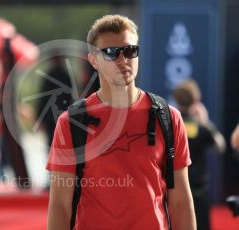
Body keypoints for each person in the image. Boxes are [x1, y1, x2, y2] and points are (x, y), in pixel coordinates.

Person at [46, 15, 196, 230]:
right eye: (110, 53)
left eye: (130, 51)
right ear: (93, 60)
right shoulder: (71, 122)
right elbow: (60, 204)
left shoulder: (168, 117)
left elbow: (180, 199)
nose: (122, 60)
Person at [172, 79, 226, 230]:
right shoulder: (201, 127)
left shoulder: (171, 124)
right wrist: (206, 122)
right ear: (195, 101)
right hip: (199, 192)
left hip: (175, 191)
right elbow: (220, 146)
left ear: (176, 100)